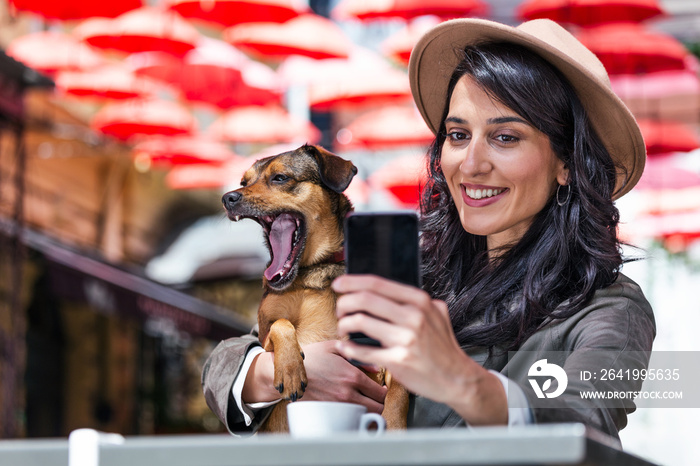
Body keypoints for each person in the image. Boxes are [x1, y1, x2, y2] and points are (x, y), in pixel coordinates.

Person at [201, 18, 655, 441]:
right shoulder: (414, 272)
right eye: (458, 136)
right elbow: (224, 363)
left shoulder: (611, 308)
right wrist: (277, 371)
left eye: (505, 137)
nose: (471, 164)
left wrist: (465, 382)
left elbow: (584, 425)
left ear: (566, 164)